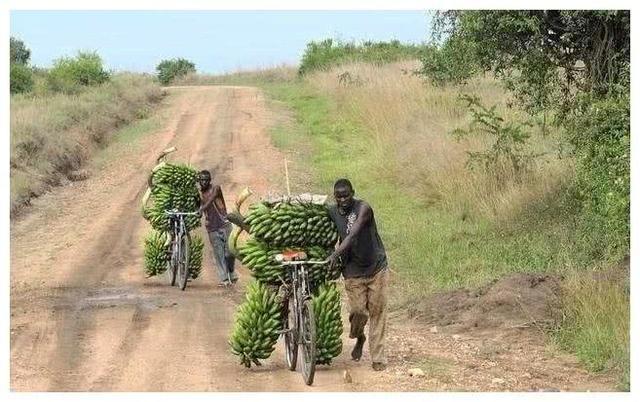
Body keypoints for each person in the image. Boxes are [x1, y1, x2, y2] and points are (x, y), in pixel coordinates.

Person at [326, 178, 389, 371]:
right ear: (334, 197)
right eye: (339, 196)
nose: (343, 200)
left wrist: (335, 254)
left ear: (353, 193)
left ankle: (378, 358)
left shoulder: (364, 209)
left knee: (378, 313)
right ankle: (359, 337)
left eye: (346, 195)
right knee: (358, 311)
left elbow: (352, 235)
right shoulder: (332, 211)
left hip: (375, 267)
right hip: (352, 271)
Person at [197, 170, 238, 286]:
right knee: (219, 254)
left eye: (206, 180)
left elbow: (210, 201)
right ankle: (224, 279)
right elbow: (198, 206)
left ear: (209, 180)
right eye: (201, 180)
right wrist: (199, 209)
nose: (203, 182)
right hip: (212, 227)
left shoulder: (216, 188)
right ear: (199, 181)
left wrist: (202, 208)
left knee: (229, 252)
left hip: (224, 224)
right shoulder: (199, 194)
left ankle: (231, 272)